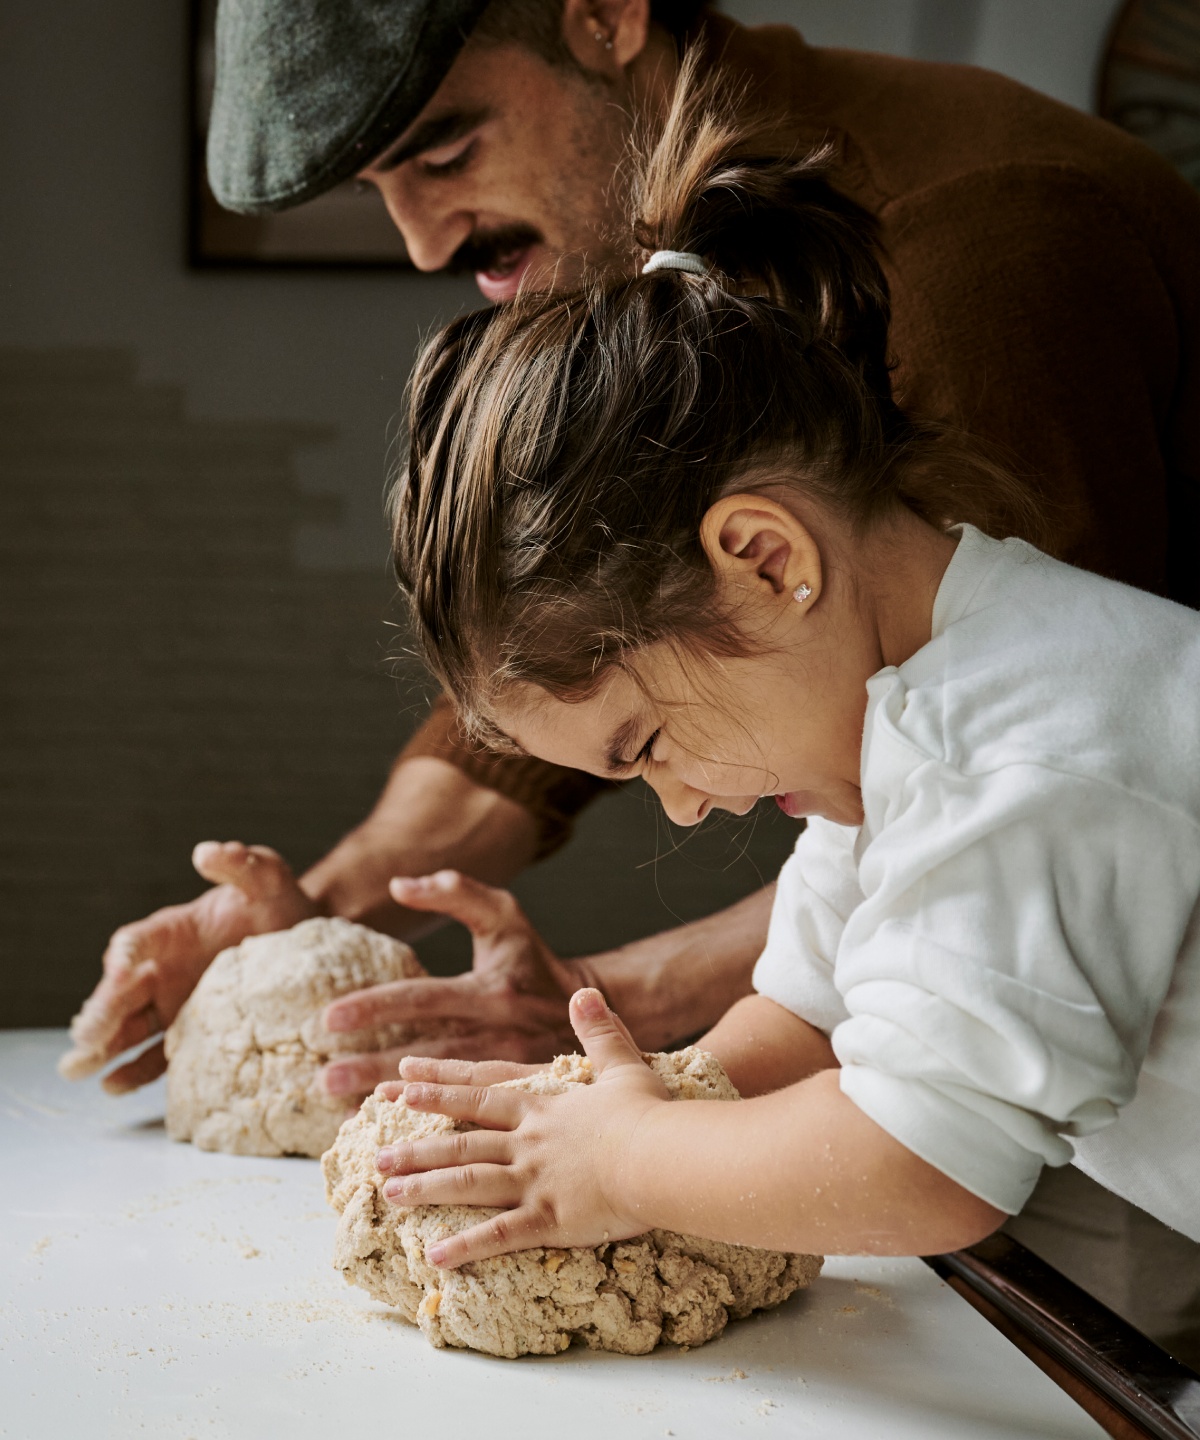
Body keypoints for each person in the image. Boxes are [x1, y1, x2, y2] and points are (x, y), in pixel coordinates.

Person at [62, 0, 1200, 1104]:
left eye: (447, 152)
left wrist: (598, 1012)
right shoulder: (664, 266)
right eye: (380, 189)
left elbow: (1003, 806)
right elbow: (590, 639)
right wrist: (320, 912)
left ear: (604, 13)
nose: (421, 244)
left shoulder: (981, 251)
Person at [371, 81, 1200, 1362]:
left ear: (762, 558)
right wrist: (585, 1112)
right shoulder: (915, 710)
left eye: (644, 746)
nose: (685, 803)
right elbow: (805, 1015)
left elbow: (926, 1166)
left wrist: (632, 1161)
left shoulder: (1023, 748)